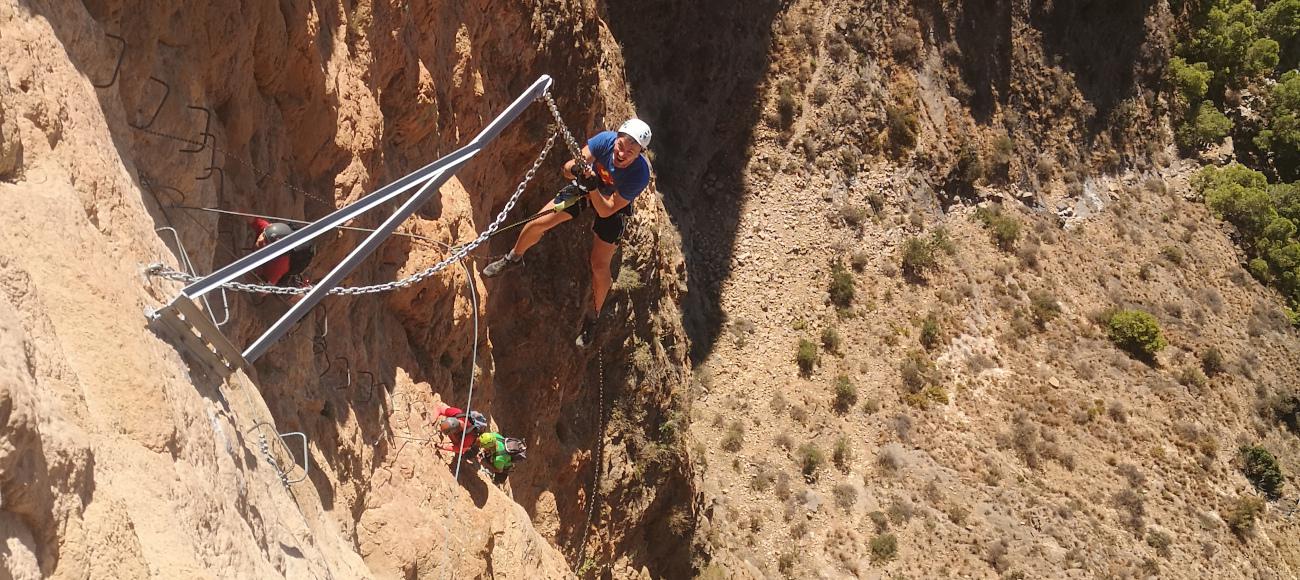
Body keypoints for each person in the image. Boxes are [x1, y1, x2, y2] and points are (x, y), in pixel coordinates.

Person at [482, 119, 654, 347]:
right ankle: (513, 257)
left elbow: (606, 210)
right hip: (586, 189)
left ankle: (593, 316)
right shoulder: (604, 141)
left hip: (612, 206)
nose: (622, 153)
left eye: (630, 152)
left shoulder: (639, 175)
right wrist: (577, 172)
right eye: (621, 145)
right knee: (539, 222)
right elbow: (567, 168)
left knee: (599, 265)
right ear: (617, 138)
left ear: (639, 154)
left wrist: (592, 186)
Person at [247, 217, 315, 286]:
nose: (261, 240)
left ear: (273, 253)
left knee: (280, 284)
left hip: (285, 267)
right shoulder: (269, 231)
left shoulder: (278, 266)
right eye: (263, 235)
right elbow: (251, 218)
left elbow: (264, 289)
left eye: (266, 242)